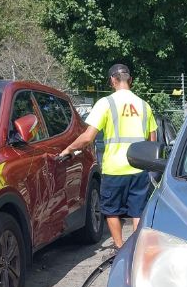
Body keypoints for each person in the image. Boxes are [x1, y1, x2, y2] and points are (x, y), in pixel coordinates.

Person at [60, 63, 157, 250]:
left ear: (113, 80)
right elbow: (151, 141)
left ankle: (120, 247)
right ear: (130, 80)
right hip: (139, 167)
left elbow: (88, 137)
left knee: (112, 210)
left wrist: (69, 149)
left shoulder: (106, 103)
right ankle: (136, 249)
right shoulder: (145, 106)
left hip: (114, 168)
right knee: (138, 211)